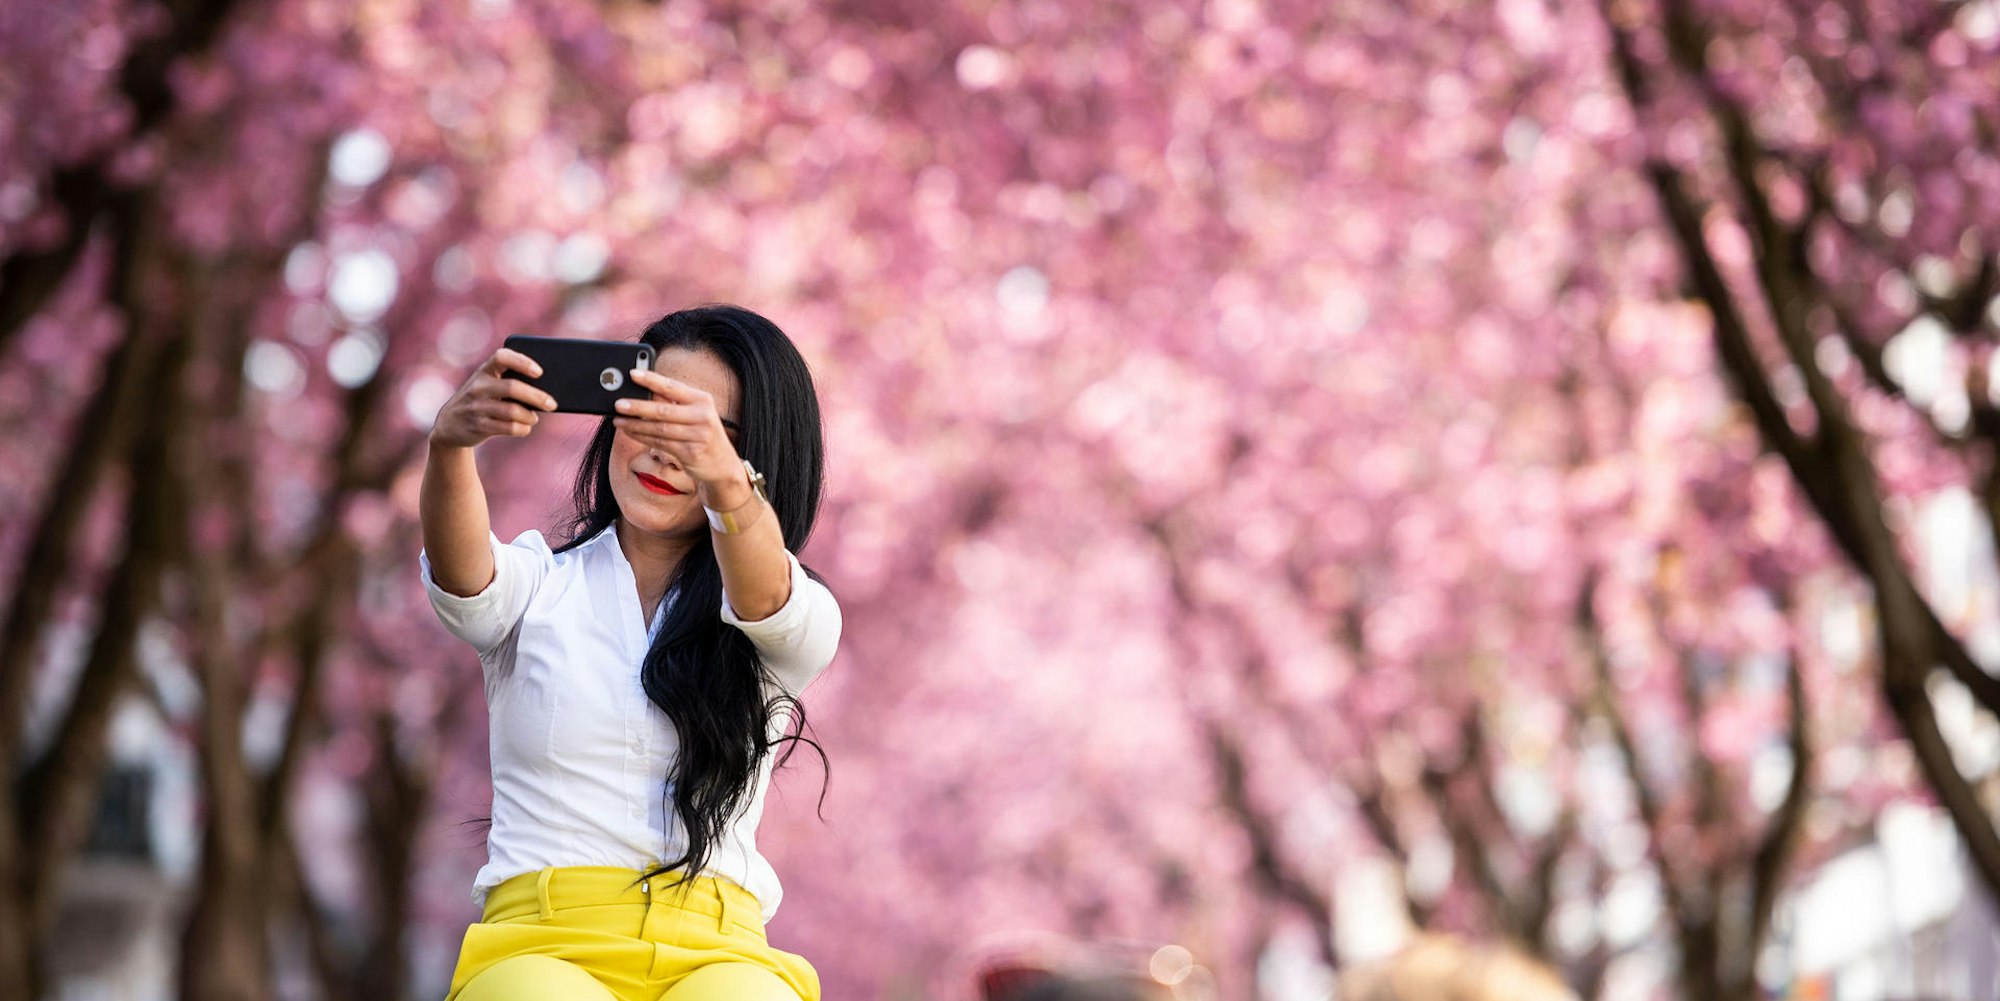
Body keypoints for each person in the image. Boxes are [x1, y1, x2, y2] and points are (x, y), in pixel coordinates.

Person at [417, 305, 839, 1001]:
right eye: (648, 415)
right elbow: (465, 577)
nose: (664, 452)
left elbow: (766, 595)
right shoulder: (537, 586)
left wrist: (723, 481)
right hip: (542, 944)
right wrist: (450, 447)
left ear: (755, 460)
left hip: (722, 956)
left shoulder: (793, 612)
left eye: (700, 434)